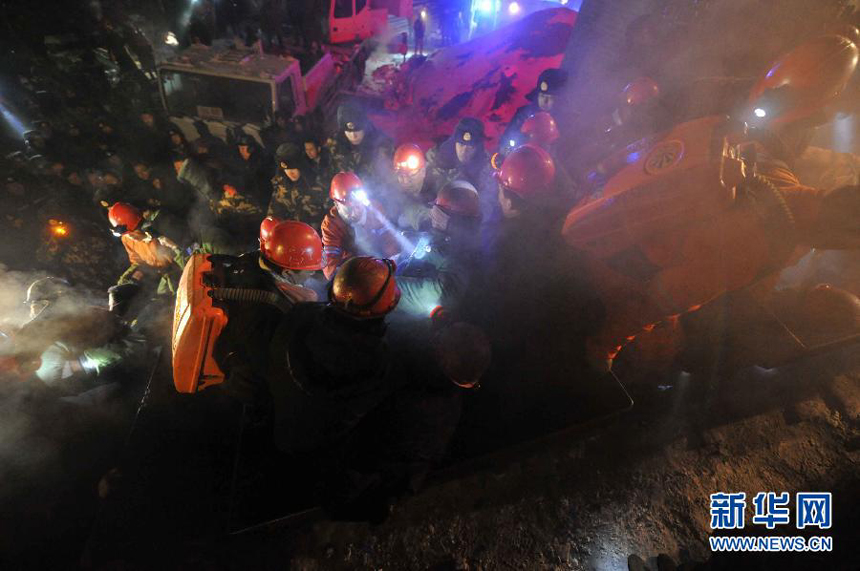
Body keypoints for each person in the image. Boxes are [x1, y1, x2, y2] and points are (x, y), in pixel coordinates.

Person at [392, 180, 481, 319]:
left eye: (439, 213)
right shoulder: (439, 234)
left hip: (416, 330)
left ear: (456, 221)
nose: (433, 215)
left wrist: (381, 285)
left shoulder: (463, 258)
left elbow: (439, 294)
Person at [321, 172, 400, 279]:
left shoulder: (375, 209)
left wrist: (392, 262)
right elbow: (330, 264)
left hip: (380, 262)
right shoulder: (331, 224)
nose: (355, 213)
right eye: (349, 209)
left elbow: (389, 240)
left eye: (357, 206)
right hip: (353, 270)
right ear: (336, 204)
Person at [107, 202, 185, 295]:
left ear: (139, 226)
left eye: (131, 233)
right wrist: (126, 282)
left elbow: (187, 253)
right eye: (125, 234)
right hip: (164, 278)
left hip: (182, 271)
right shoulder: (127, 239)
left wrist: (171, 244)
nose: (130, 237)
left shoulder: (162, 228)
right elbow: (139, 263)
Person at [499, 68, 568, 154]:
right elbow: (506, 140)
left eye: (550, 98)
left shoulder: (566, 121)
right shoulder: (523, 115)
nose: (545, 101)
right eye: (542, 96)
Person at [326, 101, 394, 186]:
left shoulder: (382, 144)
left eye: (357, 130)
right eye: (348, 131)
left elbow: (390, 178)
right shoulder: (334, 145)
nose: (353, 136)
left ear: (365, 127)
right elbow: (329, 175)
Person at [267, 142, 329, 230]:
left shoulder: (317, 182)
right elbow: (273, 214)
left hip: (316, 235)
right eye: (286, 169)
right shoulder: (281, 186)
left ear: (301, 166)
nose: (290, 173)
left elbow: (330, 214)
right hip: (291, 235)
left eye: (293, 168)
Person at [385, 143, 442, 231]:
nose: (406, 181)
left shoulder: (438, 184)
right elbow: (411, 209)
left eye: (411, 175)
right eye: (401, 176)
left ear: (423, 172)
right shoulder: (395, 193)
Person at [426, 117, 491, 190]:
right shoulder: (436, 160)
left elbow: (489, 197)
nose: (464, 151)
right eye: (461, 145)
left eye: (470, 147)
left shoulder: (485, 171)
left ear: (477, 149)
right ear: (454, 143)